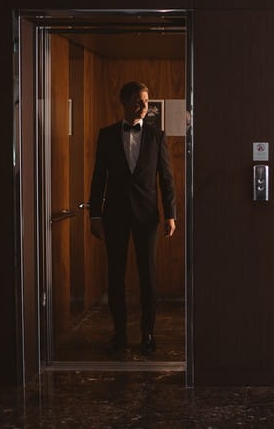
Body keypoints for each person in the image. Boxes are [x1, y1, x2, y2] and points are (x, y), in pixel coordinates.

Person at [89, 81, 176, 356]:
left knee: (148, 276)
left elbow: (166, 179)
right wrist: (95, 214)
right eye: (138, 101)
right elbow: (98, 178)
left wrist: (170, 214)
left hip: (147, 216)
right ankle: (120, 335)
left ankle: (147, 333)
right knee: (115, 276)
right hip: (114, 216)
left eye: (146, 101)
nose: (143, 107)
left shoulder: (156, 136)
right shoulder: (106, 135)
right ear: (124, 102)